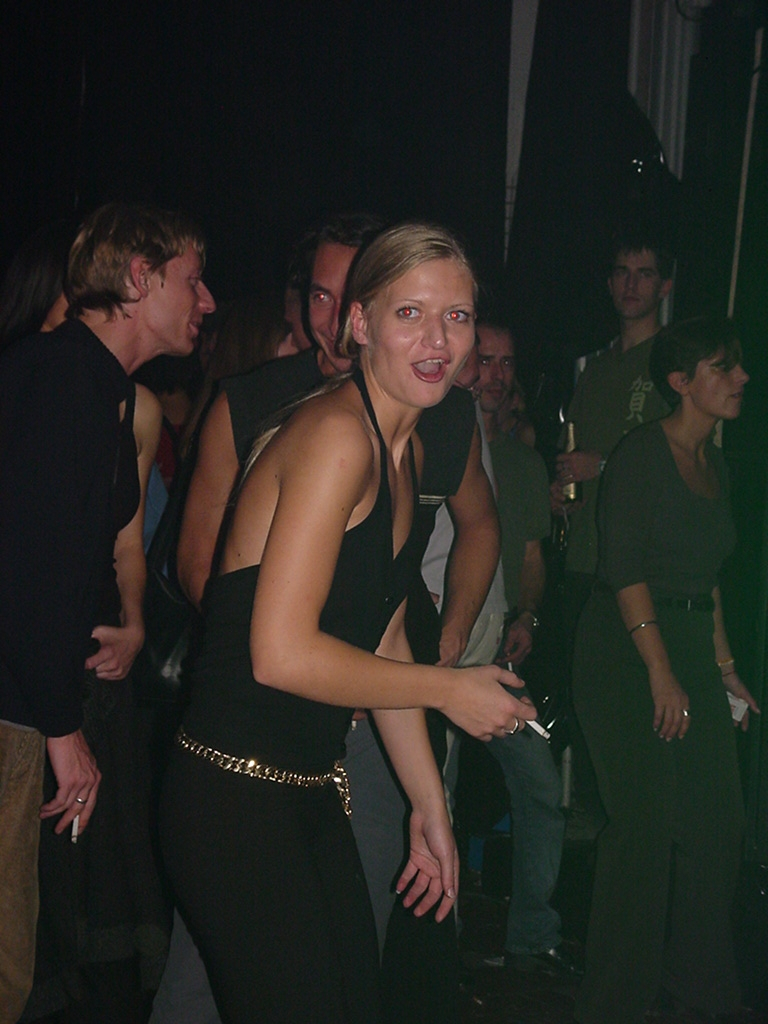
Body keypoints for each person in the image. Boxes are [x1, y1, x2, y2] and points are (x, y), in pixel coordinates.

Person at [159, 222, 536, 1024]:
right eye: (410, 314)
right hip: (231, 796)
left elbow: (386, 635)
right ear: (360, 324)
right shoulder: (335, 437)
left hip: (308, 786)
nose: (438, 341)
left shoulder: (405, 452)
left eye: (457, 317)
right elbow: (279, 654)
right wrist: (447, 689)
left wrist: (428, 806)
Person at [0, 201, 215, 1023]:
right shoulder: (62, 379)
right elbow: (27, 571)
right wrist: (61, 731)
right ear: (138, 278)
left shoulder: (89, 383)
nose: (206, 301)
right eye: (192, 280)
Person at [571, 316, 759, 1024]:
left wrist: (723, 667)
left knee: (718, 824)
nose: (742, 378)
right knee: (644, 828)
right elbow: (624, 569)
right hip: (624, 650)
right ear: (681, 382)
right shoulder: (641, 454)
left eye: (738, 366)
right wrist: (660, 671)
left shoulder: (717, 463)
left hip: (685, 642)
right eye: (724, 367)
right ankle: (614, 1004)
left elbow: (706, 581)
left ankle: (700, 991)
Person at [432, 326, 571, 976]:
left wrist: (528, 615)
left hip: (496, 658)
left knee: (541, 783)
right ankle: (438, 947)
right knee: (435, 794)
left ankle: (532, 936)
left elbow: (532, 555)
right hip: (436, 656)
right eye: (483, 359)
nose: (494, 373)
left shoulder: (521, 461)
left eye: (505, 363)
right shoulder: (432, 438)